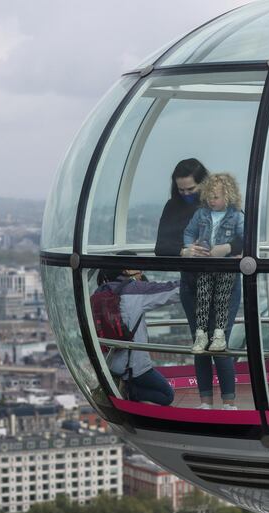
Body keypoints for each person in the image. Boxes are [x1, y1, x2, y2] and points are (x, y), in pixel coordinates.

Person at [154, 159, 241, 410]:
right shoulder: (174, 206)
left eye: (191, 190)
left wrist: (225, 248)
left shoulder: (224, 204)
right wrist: (184, 251)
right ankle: (205, 402)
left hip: (223, 283)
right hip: (192, 283)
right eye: (181, 190)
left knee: (219, 339)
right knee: (199, 341)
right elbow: (161, 247)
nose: (186, 195)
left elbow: (244, 239)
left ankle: (229, 403)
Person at [96, 265, 178, 406]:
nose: (142, 271)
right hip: (135, 368)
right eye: (138, 267)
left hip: (111, 364)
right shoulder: (134, 291)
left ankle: (131, 391)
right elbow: (173, 291)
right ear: (127, 270)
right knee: (167, 395)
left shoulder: (99, 293)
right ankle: (130, 392)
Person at [183, 173, 244, 353]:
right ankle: (201, 335)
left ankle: (219, 335)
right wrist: (190, 247)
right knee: (203, 298)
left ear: (228, 196)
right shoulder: (201, 214)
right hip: (205, 264)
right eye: (209, 196)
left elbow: (245, 237)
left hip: (226, 267)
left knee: (222, 300)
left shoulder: (236, 216)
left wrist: (228, 248)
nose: (211, 201)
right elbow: (189, 232)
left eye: (216, 197)